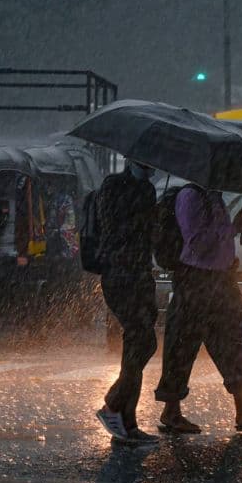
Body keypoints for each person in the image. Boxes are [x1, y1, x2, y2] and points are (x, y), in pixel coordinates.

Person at [155, 183, 242, 434]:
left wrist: (234, 228)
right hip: (196, 280)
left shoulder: (215, 197)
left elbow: (214, 238)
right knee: (182, 344)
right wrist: (229, 229)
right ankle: (171, 411)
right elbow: (197, 242)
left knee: (233, 342)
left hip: (221, 280)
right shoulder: (190, 197)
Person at [93, 162, 161, 445]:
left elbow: (148, 237)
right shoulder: (112, 185)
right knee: (141, 340)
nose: (150, 168)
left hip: (142, 273)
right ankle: (113, 406)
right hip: (120, 274)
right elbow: (113, 228)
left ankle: (127, 420)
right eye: (146, 162)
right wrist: (145, 218)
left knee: (140, 344)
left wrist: (156, 222)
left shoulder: (147, 189)